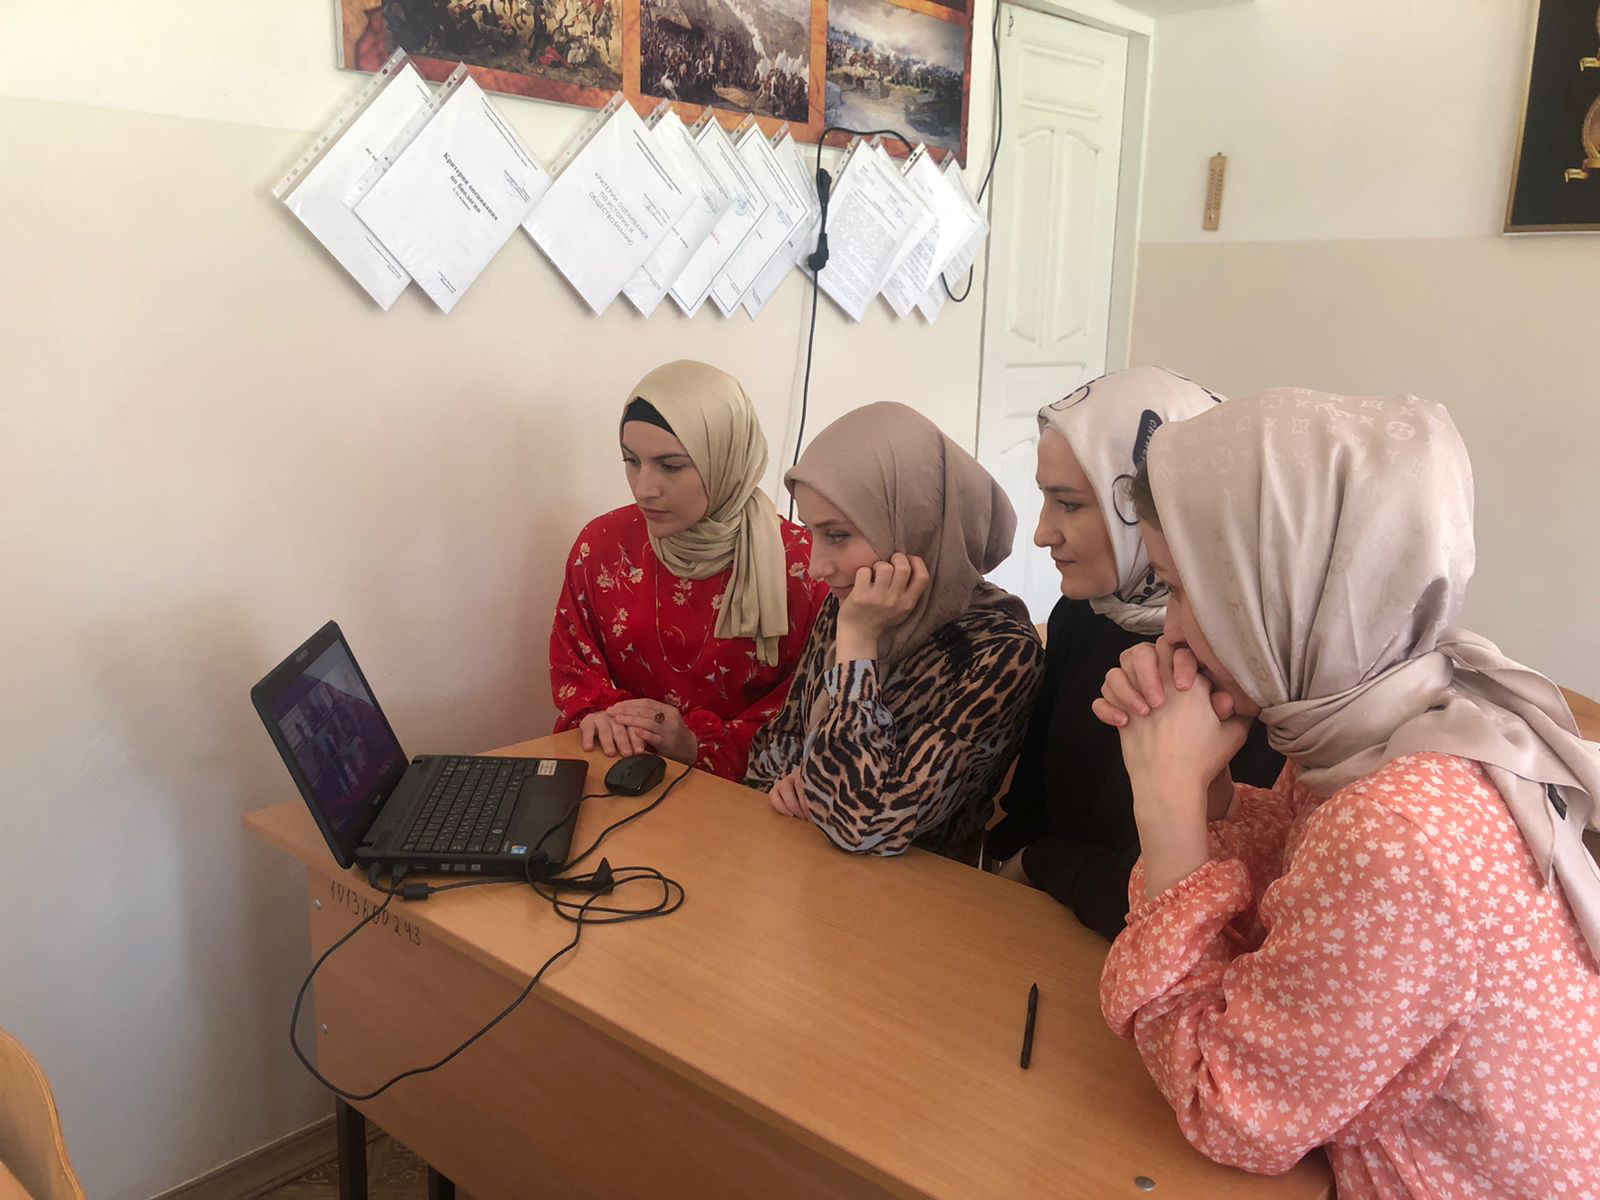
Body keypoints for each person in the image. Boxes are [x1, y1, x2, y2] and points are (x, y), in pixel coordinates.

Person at [1093, 387, 1600, 1198]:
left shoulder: (1396, 832)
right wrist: (1211, 791)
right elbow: (1301, 908)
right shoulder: (1381, 722)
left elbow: (1226, 1107)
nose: (1170, 631)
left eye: (1182, 590)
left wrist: (1168, 805)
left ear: (1278, 590)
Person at [986, 368, 1283, 939]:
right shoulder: (1082, 616)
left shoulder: (1240, 663)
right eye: (1046, 498)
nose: (1042, 533)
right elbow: (1030, 809)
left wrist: (1037, 863)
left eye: (1070, 504)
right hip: (1045, 928)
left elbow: (1191, 891)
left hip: (1149, 955)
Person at [745, 402, 1045, 860]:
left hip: (919, 892)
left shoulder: (1001, 653)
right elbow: (774, 749)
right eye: (812, 532)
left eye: (838, 535)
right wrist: (791, 784)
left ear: (915, 525)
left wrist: (857, 648)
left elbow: (865, 825)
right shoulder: (850, 604)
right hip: (806, 860)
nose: (817, 565)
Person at [550, 361, 826, 780]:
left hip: (741, 796)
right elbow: (575, 665)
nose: (644, 488)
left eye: (671, 465)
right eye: (631, 461)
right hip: (617, 771)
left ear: (727, 459)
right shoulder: (602, 545)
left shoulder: (805, 566)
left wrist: (696, 745)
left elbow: (805, 708)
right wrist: (601, 716)